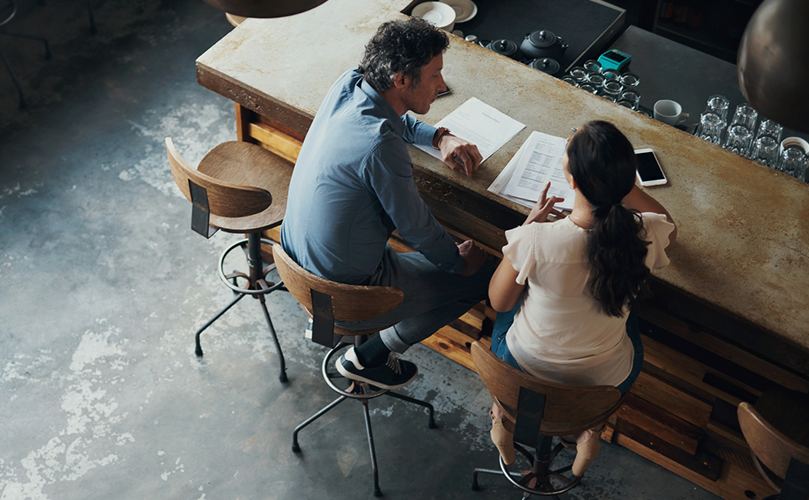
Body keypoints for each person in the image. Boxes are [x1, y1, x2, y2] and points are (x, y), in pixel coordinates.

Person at [280, 18, 495, 391]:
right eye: (434, 75)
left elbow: (394, 117)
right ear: (401, 80)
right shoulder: (380, 146)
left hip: (297, 258)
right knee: (485, 278)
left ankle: (348, 336)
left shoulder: (350, 83)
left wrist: (439, 136)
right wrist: (458, 263)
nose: (442, 85)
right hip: (346, 292)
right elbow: (416, 228)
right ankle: (370, 356)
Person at [486, 120, 677, 475]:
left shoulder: (535, 240)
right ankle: (589, 430)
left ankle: (504, 416)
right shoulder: (646, 232)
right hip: (603, 384)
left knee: (508, 310)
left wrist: (527, 230)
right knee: (626, 313)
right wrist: (618, 184)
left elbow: (500, 302)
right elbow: (669, 224)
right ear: (626, 183)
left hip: (525, 371)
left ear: (571, 181)